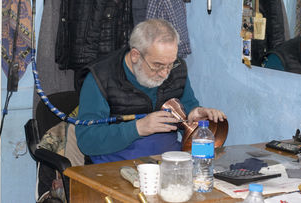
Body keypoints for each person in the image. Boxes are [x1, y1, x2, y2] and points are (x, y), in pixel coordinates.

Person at [75, 19, 227, 163]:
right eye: (158, 65)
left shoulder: (175, 69)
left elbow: (187, 105)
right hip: (115, 167)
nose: (165, 73)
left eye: (170, 64)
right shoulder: (101, 77)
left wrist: (194, 114)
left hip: (168, 163)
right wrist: (138, 128)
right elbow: (87, 140)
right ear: (135, 55)